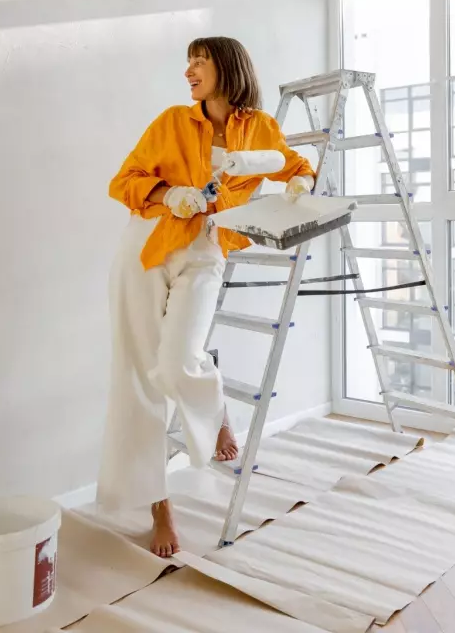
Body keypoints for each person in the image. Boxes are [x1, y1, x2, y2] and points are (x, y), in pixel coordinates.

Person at [98, 36, 315, 556]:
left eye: (200, 61)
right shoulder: (173, 120)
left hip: (207, 248)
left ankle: (213, 407)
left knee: (177, 364)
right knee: (138, 374)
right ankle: (160, 506)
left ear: (228, 66)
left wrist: (300, 185)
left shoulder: (259, 128)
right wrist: (168, 193)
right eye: (188, 62)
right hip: (147, 245)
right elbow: (123, 180)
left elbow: (294, 165)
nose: (189, 71)